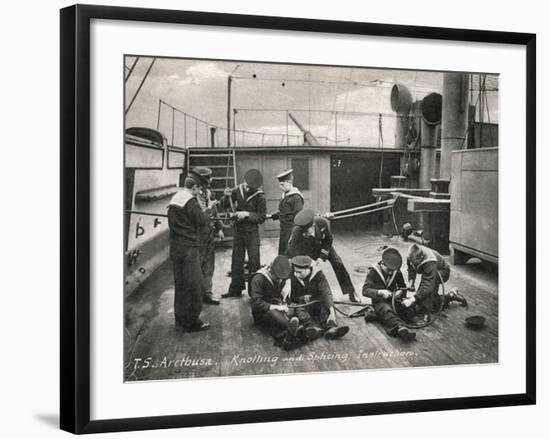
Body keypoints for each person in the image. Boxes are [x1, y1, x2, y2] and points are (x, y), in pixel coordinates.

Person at [286, 209, 360, 303]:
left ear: (312, 226)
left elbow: (328, 240)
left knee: (338, 263)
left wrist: (321, 257)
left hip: (322, 246)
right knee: (304, 270)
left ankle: (351, 292)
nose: (305, 234)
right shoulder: (297, 232)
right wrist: (308, 261)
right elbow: (292, 251)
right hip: (307, 252)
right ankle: (301, 296)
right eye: (303, 233)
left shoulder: (321, 223)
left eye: (307, 232)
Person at [167, 171, 209, 331]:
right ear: (195, 187)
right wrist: (208, 210)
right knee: (194, 285)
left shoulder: (175, 198)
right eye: (199, 189)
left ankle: (180, 318)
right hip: (189, 249)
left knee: (181, 285)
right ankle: (192, 322)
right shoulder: (191, 201)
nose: (199, 192)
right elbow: (202, 221)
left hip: (176, 248)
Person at [220, 169, 267, 298]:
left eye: (250, 186)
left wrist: (247, 214)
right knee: (236, 260)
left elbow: (261, 217)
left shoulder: (260, 196)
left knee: (254, 261)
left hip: (252, 233)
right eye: (246, 184)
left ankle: (255, 292)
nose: (247, 187)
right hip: (239, 232)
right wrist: (226, 196)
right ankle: (235, 290)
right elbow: (223, 205)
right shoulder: (237, 190)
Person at [361, 247, 416, 342]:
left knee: (410, 309)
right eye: (388, 269)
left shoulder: (396, 271)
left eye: (393, 270)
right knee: (386, 311)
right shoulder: (373, 272)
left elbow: (403, 287)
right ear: (382, 263)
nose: (391, 272)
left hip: (394, 301)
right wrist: (380, 292)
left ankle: (379, 317)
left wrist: (401, 293)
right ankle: (400, 328)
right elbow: (365, 290)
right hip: (380, 303)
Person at [289, 255, 350, 340]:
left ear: (308, 269)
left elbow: (327, 293)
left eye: (300, 272)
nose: (297, 275)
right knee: (299, 310)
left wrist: (332, 313)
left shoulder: (319, 275)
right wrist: (302, 298)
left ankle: (331, 327)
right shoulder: (293, 276)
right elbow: (291, 295)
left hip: (317, 302)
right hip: (303, 305)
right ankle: (313, 327)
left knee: (326, 306)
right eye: (296, 272)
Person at [403, 244, 467, 317]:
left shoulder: (429, 262)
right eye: (410, 261)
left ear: (421, 258)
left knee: (432, 304)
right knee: (425, 299)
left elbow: (427, 285)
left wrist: (413, 299)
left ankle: (451, 295)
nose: (411, 263)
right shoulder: (411, 255)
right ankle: (447, 297)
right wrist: (411, 283)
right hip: (432, 270)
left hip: (442, 271)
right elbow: (411, 268)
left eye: (413, 262)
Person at [193, 166, 224, 306]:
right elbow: (198, 216)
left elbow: (215, 212)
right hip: (198, 235)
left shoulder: (208, 192)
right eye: (208, 178)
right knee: (198, 265)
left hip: (209, 234)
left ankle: (207, 294)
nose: (211, 180)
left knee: (209, 266)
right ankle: (197, 296)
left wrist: (220, 228)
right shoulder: (192, 196)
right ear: (202, 180)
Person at [249, 255, 293, 341]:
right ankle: (291, 328)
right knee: (274, 314)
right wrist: (277, 307)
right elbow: (256, 304)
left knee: (293, 307)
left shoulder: (280, 272)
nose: (280, 280)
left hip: (277, 303)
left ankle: (292, 328)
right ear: (270, 271)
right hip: (262, 312)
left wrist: (288, 282)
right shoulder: (258, 279)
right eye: (277, 278)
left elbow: (289, 273)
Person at [270, 169, 304, 255]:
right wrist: (275, 215)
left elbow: (298, 218)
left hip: (292, 231)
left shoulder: (296, 197)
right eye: (280, 185)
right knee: (282, 253)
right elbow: (286, 212)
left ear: (289, 182)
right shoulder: (285, 195)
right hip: (284, 231)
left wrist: (294, 235)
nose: (280, 187)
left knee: (290, 254)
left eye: (282, 185)